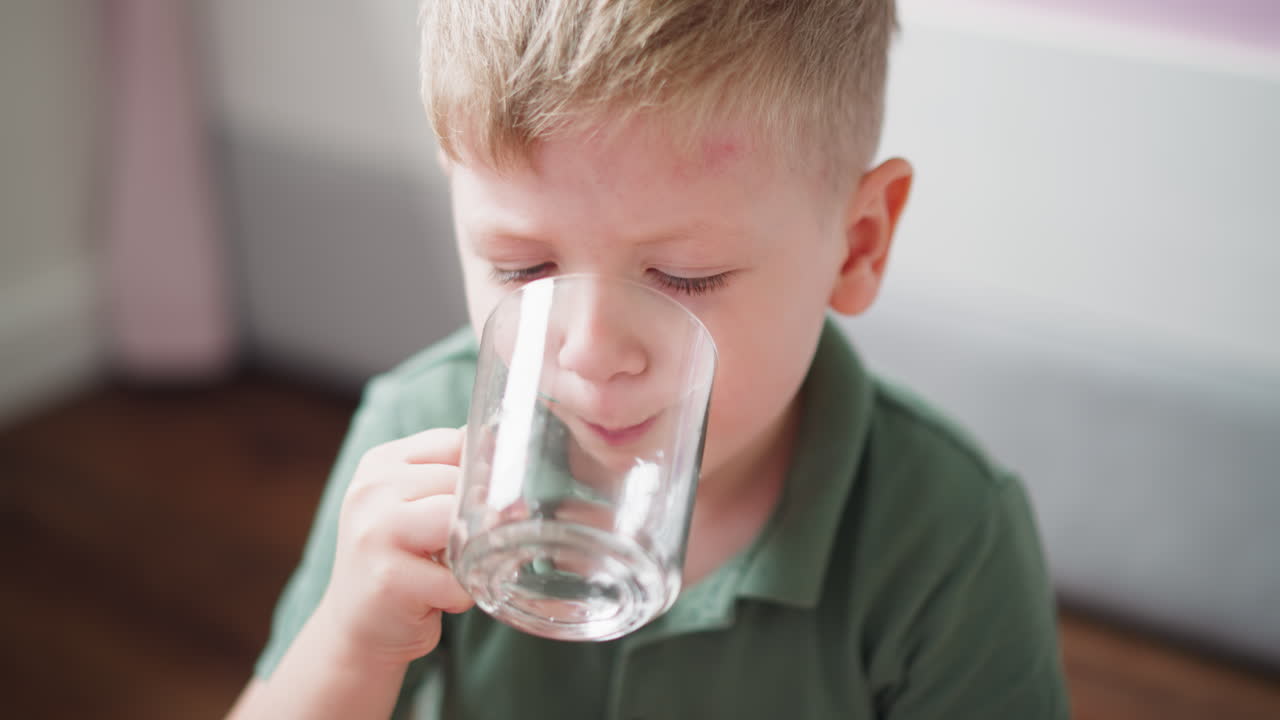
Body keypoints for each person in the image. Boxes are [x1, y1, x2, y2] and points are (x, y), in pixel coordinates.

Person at [228, 1, 1069, 718]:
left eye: (683, 278)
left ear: (855, 246)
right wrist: (351, 640)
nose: (590, 354)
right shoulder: (417, 437)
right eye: (523, 267)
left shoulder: (949, 541)